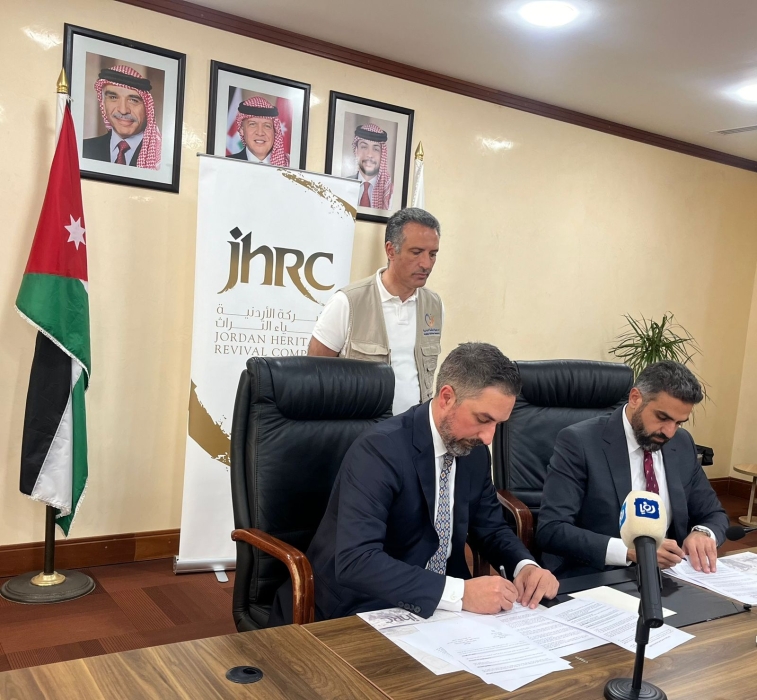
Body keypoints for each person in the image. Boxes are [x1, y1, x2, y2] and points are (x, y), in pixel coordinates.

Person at [268, 343, 558, 625]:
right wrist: (459, 593)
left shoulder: (474, 451)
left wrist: (525, 566)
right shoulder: (379, 450)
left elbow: (490, 527)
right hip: (368, 603)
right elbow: (357, 560)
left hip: (446, 609)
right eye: (483, 419)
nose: (488, 437)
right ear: (447, 397)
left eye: (498, 424)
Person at [537, 360, 729, 579]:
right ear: (635, 398)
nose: (669, 432)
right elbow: (551, 529)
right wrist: (629, 552)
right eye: (662, 418)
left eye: (679, 423)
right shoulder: (579, 442)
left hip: (669, 576)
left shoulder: (681, 443)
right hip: (598, 574)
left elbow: (714, 514)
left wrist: (703, 533)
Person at [308, 207, 443, 416]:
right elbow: (315, 374)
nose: (426, 264)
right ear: (390, 250)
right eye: (416, 252)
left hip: (414, 428)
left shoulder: (434, 305)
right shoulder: (348, 302)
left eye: (432, 254)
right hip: (359, 428)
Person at [82, 66, 161, 169]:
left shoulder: (161, 157)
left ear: (147, 108)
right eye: (113, 97)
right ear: (103, 103)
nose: (123, 110)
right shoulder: (83, 149)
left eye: (133, 100)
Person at [228, 96, 289, 166]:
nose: (260, 133)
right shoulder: (227, 164)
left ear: (275, 131)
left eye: (267, 126)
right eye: (252, 124)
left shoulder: (289, 166)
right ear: (241, 129)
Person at [349, 123, 393, 210]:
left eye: (376, 149)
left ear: (382, 155)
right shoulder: (344, 185)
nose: (369, 154)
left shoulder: (390, 192)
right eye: (364, 147)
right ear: (356, 150)